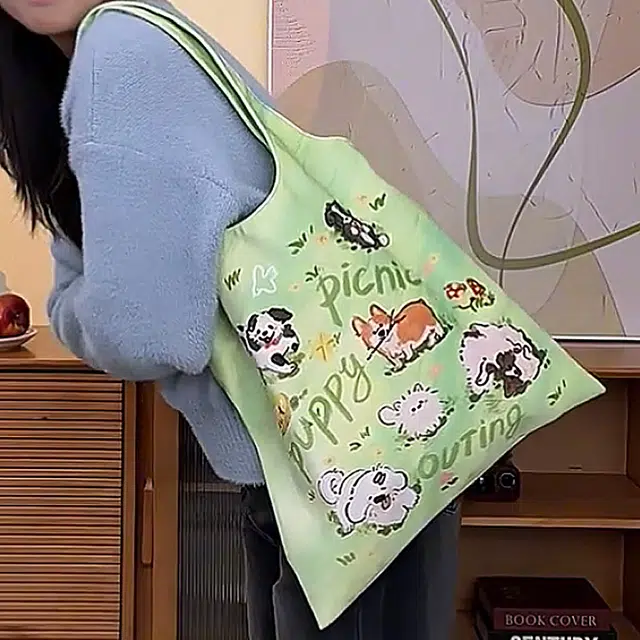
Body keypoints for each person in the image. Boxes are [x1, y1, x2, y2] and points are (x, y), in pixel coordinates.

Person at [0, 0, 460, 637]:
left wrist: (67, 307)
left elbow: (145, 331)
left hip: (340, 473)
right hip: (343, 453)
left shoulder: (120, 46)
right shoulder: (128, 44)